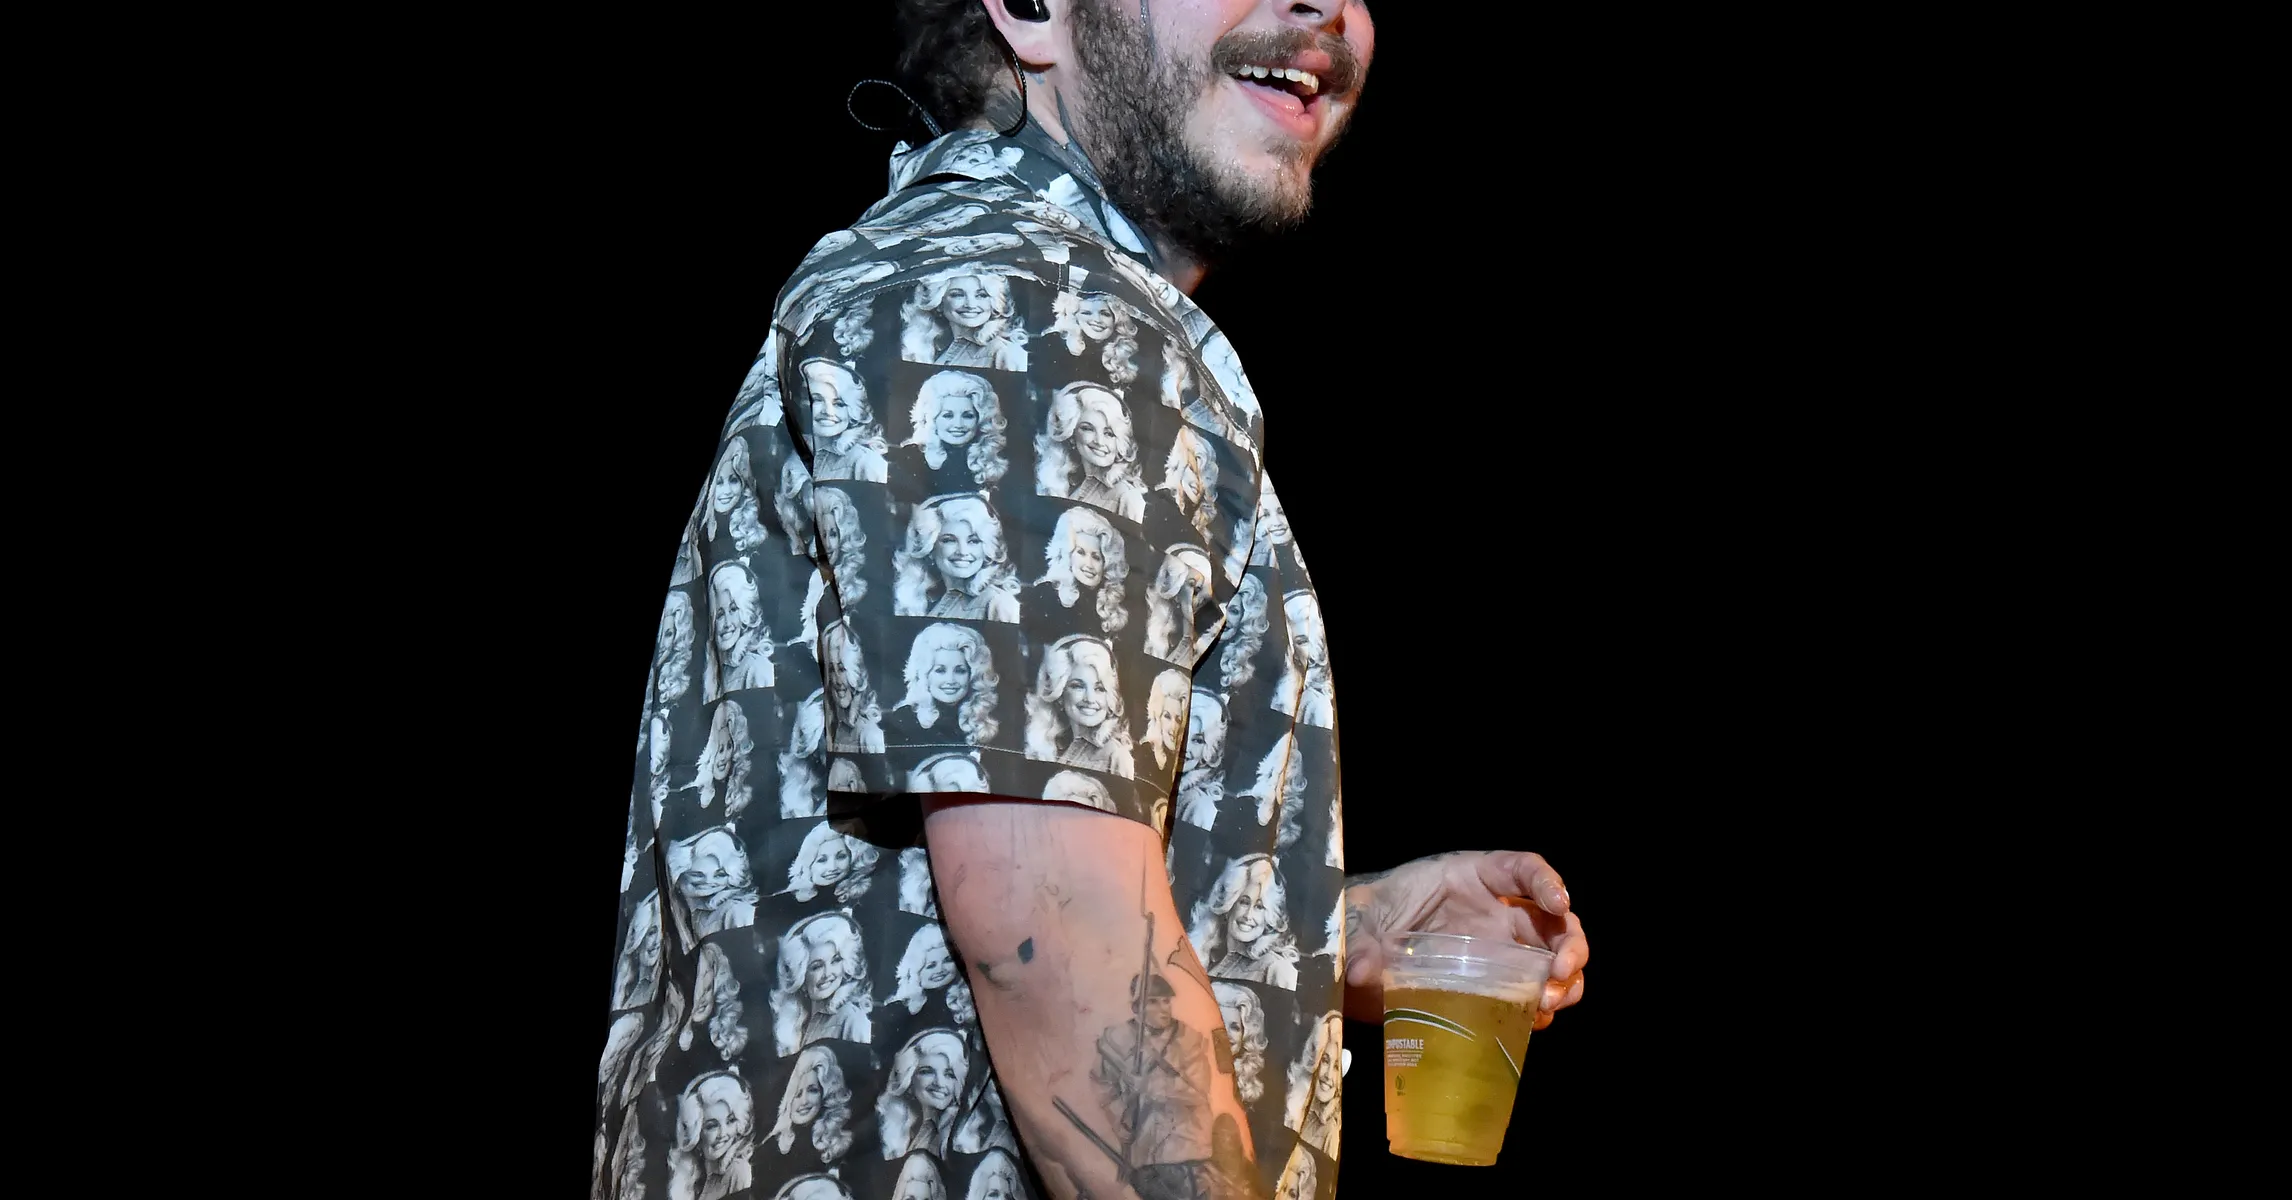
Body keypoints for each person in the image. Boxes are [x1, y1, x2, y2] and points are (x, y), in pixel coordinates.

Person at [599, 6, 1594, 1199]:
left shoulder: (986, 280)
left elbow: (948, 908)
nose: (1324, 6)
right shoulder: (1017, 301)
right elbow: (1059, 947)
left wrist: (1335, 932)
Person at [894, 369, 1013, 495]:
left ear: (980, 420)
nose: (958, 425)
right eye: (948, 415)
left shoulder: (991, 461)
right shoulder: (910, 458)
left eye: (968, 416)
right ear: (931, 419)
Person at [766, 1044, 857, 1164]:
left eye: (813, 1090)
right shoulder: (770, 1148)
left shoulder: (839, 1143)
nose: (804, 1101)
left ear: (824, 1093)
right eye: (797, 1094)